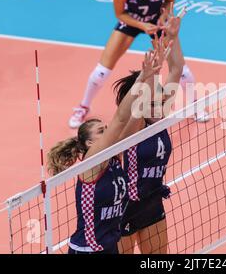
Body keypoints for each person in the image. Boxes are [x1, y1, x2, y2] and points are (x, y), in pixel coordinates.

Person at [47, 36, 168, 254]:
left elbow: (136, 113)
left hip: (109, 246)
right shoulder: (91, 164)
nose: (108, 131)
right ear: (91, 143)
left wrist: (152, 75)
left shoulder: (115, 156)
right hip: (87, 251)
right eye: (102, 131)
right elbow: (121, 119)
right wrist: (143, 77)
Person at [69, 0, 206, 128]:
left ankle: (196, 105)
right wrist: (142, 25)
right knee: (101, 72)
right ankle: (83, 107)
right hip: (131, 22)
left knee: (182, 70)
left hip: (157, 22)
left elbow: (169, 1)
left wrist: (164, 15)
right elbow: (120, 14)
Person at [114, 10, 185, 254]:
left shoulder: (160, 115)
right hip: (124, 208)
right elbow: (142, 99)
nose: (161, 97)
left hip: (152, 203)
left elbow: (176, 68)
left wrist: (172, 36)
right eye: (154, 93)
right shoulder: (132, 126)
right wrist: (150, 72)